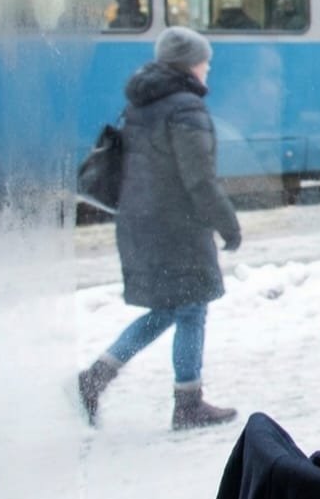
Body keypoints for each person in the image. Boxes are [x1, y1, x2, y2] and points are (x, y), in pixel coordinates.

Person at [76, 26, 243, 431]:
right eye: (204, 61)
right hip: (176, 225)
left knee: (170, 307)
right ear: (189, 64)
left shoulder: (142, 103)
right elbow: (199, 179)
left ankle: (96, 377)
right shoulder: (185, 108)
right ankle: (188, 403)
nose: (207, 68)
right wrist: (228, 225)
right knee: (192, 306)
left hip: (142, 220)